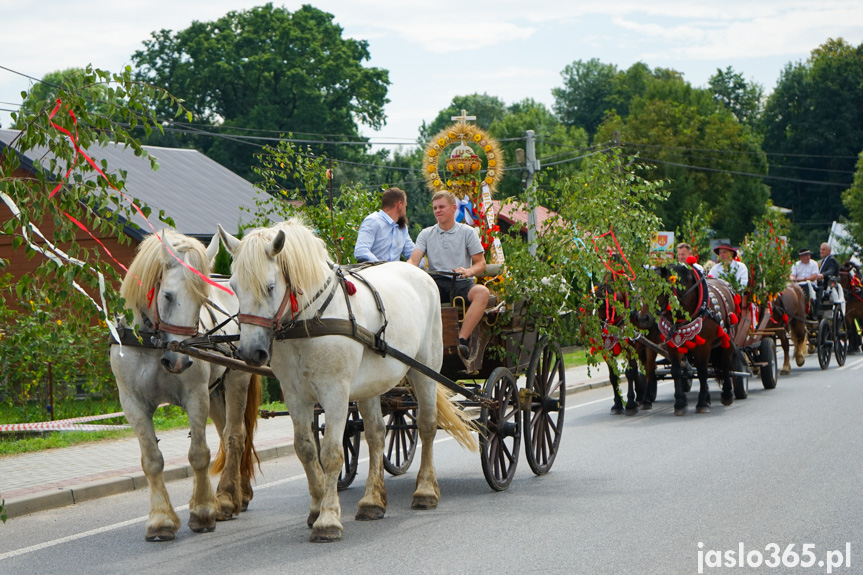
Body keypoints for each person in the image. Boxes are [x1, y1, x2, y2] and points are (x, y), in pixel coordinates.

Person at [408, 191, 489, 358]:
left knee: (482, 293)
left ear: (453, 208)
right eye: (435, 208)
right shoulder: (426, 233)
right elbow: (413, 261)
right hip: (434, 282)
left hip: (460, 281)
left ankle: (462, 340)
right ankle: (412, 341)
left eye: (441, 207)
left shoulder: (467, 232)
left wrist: (468, 271)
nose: (437, 210)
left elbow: (481, 263)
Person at [354, 187, 415, 263]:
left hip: (396, 274)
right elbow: (361, 251)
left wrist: (417, 262)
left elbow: (414, 255)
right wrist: (383, 267)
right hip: (373, 273)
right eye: (405, 206)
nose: (405, 210)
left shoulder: (402, 228)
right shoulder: (372, 221)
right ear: (399, 204)